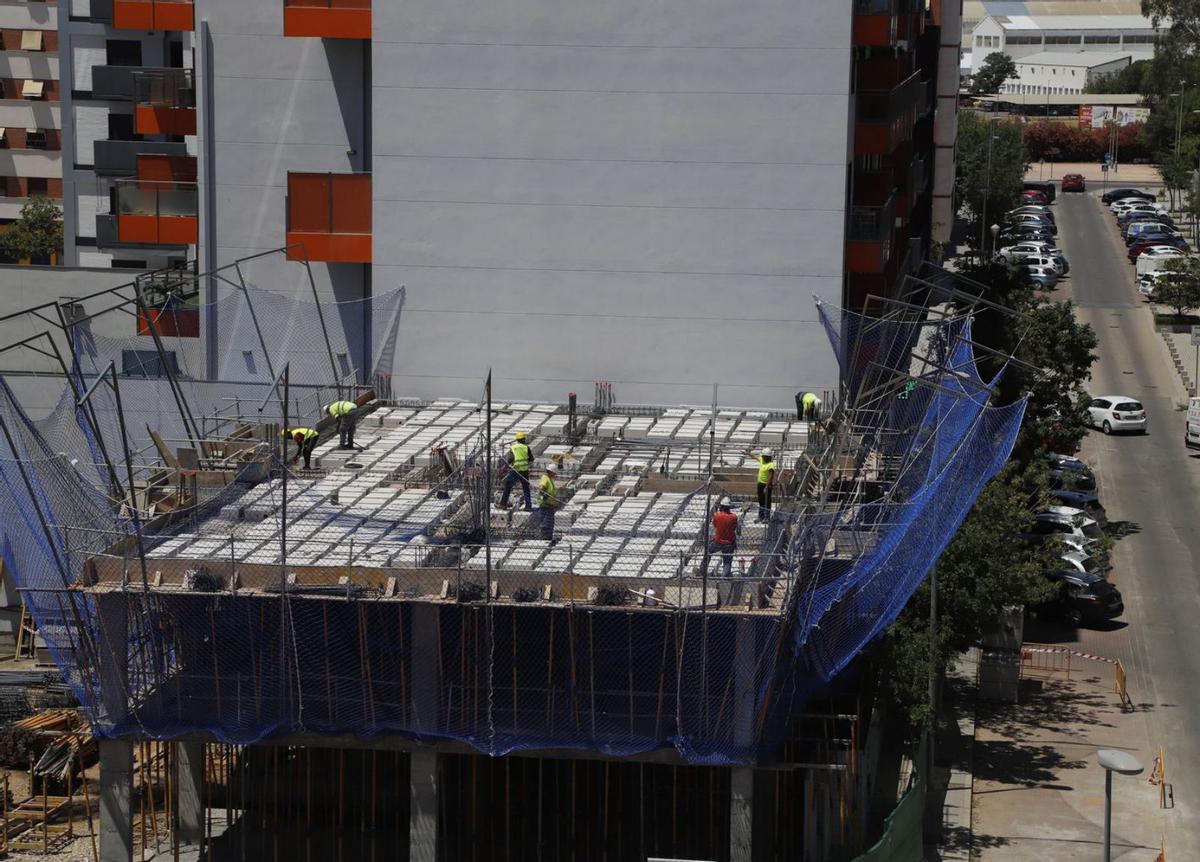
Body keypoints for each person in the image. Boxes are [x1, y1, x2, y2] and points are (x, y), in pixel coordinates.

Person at [499, 431, 532, 510]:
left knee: (508, 486)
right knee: (526, 488)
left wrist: (504, 467)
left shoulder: (514, 447)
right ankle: (528, 506)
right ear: (524, 439)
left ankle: (503, 504)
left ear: (517, 439)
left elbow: (510, 459)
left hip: (516, 470)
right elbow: (531, 459)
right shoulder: (526, 447)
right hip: (524, 470)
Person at [708, 496, 738, 578]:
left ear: (721, 506)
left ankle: (702, 570)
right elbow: (734, 528)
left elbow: (715, 525)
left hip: (718, 541)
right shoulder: (734, 517)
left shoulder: (717, 515)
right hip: (729, 542)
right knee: (727, 561)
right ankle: (725, 577)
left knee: (708, 552)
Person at [536, 462, 559, 541]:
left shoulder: (549, 479)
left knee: (550, 524)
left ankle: (548, 539)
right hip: (545, 507)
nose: (555, 475)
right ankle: (545, 540)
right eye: (554, 473)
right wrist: (545, 496)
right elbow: (541, 488)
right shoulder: (545, 478)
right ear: (551, 472)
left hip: (549, 506)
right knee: (546, 524)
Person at [756, 448, 776, 522]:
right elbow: (755, 457)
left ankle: (767, 517)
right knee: (761, 501)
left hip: (766, 485)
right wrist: (748, 454)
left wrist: (766, 487)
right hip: (760, 484)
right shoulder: (762, 460)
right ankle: (760, 516)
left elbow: (771, 477)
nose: (763, 457)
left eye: (765, 456)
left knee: (767, 501)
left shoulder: (770, 465)